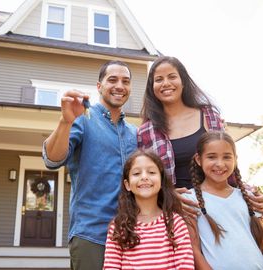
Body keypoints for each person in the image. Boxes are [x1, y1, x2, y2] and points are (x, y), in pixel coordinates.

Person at [137, 55, 263, 215]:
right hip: (177, 211)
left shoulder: (209, 116)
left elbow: (226, 159)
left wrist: (246, 192)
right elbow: (145, 175)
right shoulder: (146, 131)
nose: (166, 83)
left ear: (183, 81)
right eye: (159, 79)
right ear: (152, 87)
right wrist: (166, 196)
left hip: (217, 205)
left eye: (172, 77)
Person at [42, 60, 137, 270]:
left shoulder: (134, 133)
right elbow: (52, 159)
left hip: (131, 235)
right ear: (99, 86)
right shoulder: (83, 119)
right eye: (112, 80)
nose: (120, 86)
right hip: (92, 235)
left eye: (126, 81)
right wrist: (65, 121)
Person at [103, 150, 194, 269]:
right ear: (127, 185)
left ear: (161, 181)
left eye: (151, 172)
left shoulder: (175, 223)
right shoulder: (119, 226)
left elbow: (185, 266)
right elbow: (111, 267)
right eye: (136, 173)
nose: (144, 177)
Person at [185, 131, 263, 269]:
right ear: (198, 159)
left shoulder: (248, 197)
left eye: (227, 157)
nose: (220, 164)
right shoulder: (190, 200)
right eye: (211, 157)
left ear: (235, 159)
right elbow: (193, 249)